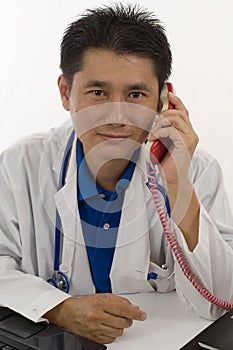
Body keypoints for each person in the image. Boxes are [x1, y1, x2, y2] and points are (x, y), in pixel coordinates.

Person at [1, 3, 233, 345]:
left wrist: (177, 185)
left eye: (136, 94)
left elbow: (220, 299)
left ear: (163, 101)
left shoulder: (195, 170)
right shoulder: (21, 164)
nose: (117, 116)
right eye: (98, 93)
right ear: (66, 92)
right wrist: (58, 308)